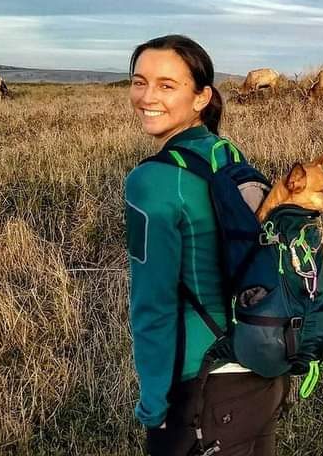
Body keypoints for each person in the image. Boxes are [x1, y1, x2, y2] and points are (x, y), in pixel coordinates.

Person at [124, 34, 284, 456]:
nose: (146, 97)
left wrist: (154, 406)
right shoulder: (227, 154)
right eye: (139, 82)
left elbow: (153, 304)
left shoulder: (151, 181)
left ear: (201, 97)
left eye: (166, 85)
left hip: (200, 384)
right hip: (260, 365)